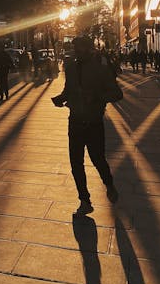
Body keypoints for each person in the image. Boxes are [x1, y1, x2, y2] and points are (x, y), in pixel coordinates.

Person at [51, 36, 123, 215]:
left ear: (89, 49)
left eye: (80, 48)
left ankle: (109, 185)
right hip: (75, 121)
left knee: (98, 159)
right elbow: (68, 91)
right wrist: (61, 99)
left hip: (93, 122)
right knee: (76, 163)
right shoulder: (71, 67)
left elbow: (116, 93)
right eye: (75, 48)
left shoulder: (101, 68)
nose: (77, 51)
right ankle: (84, 199)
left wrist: (97, 97)